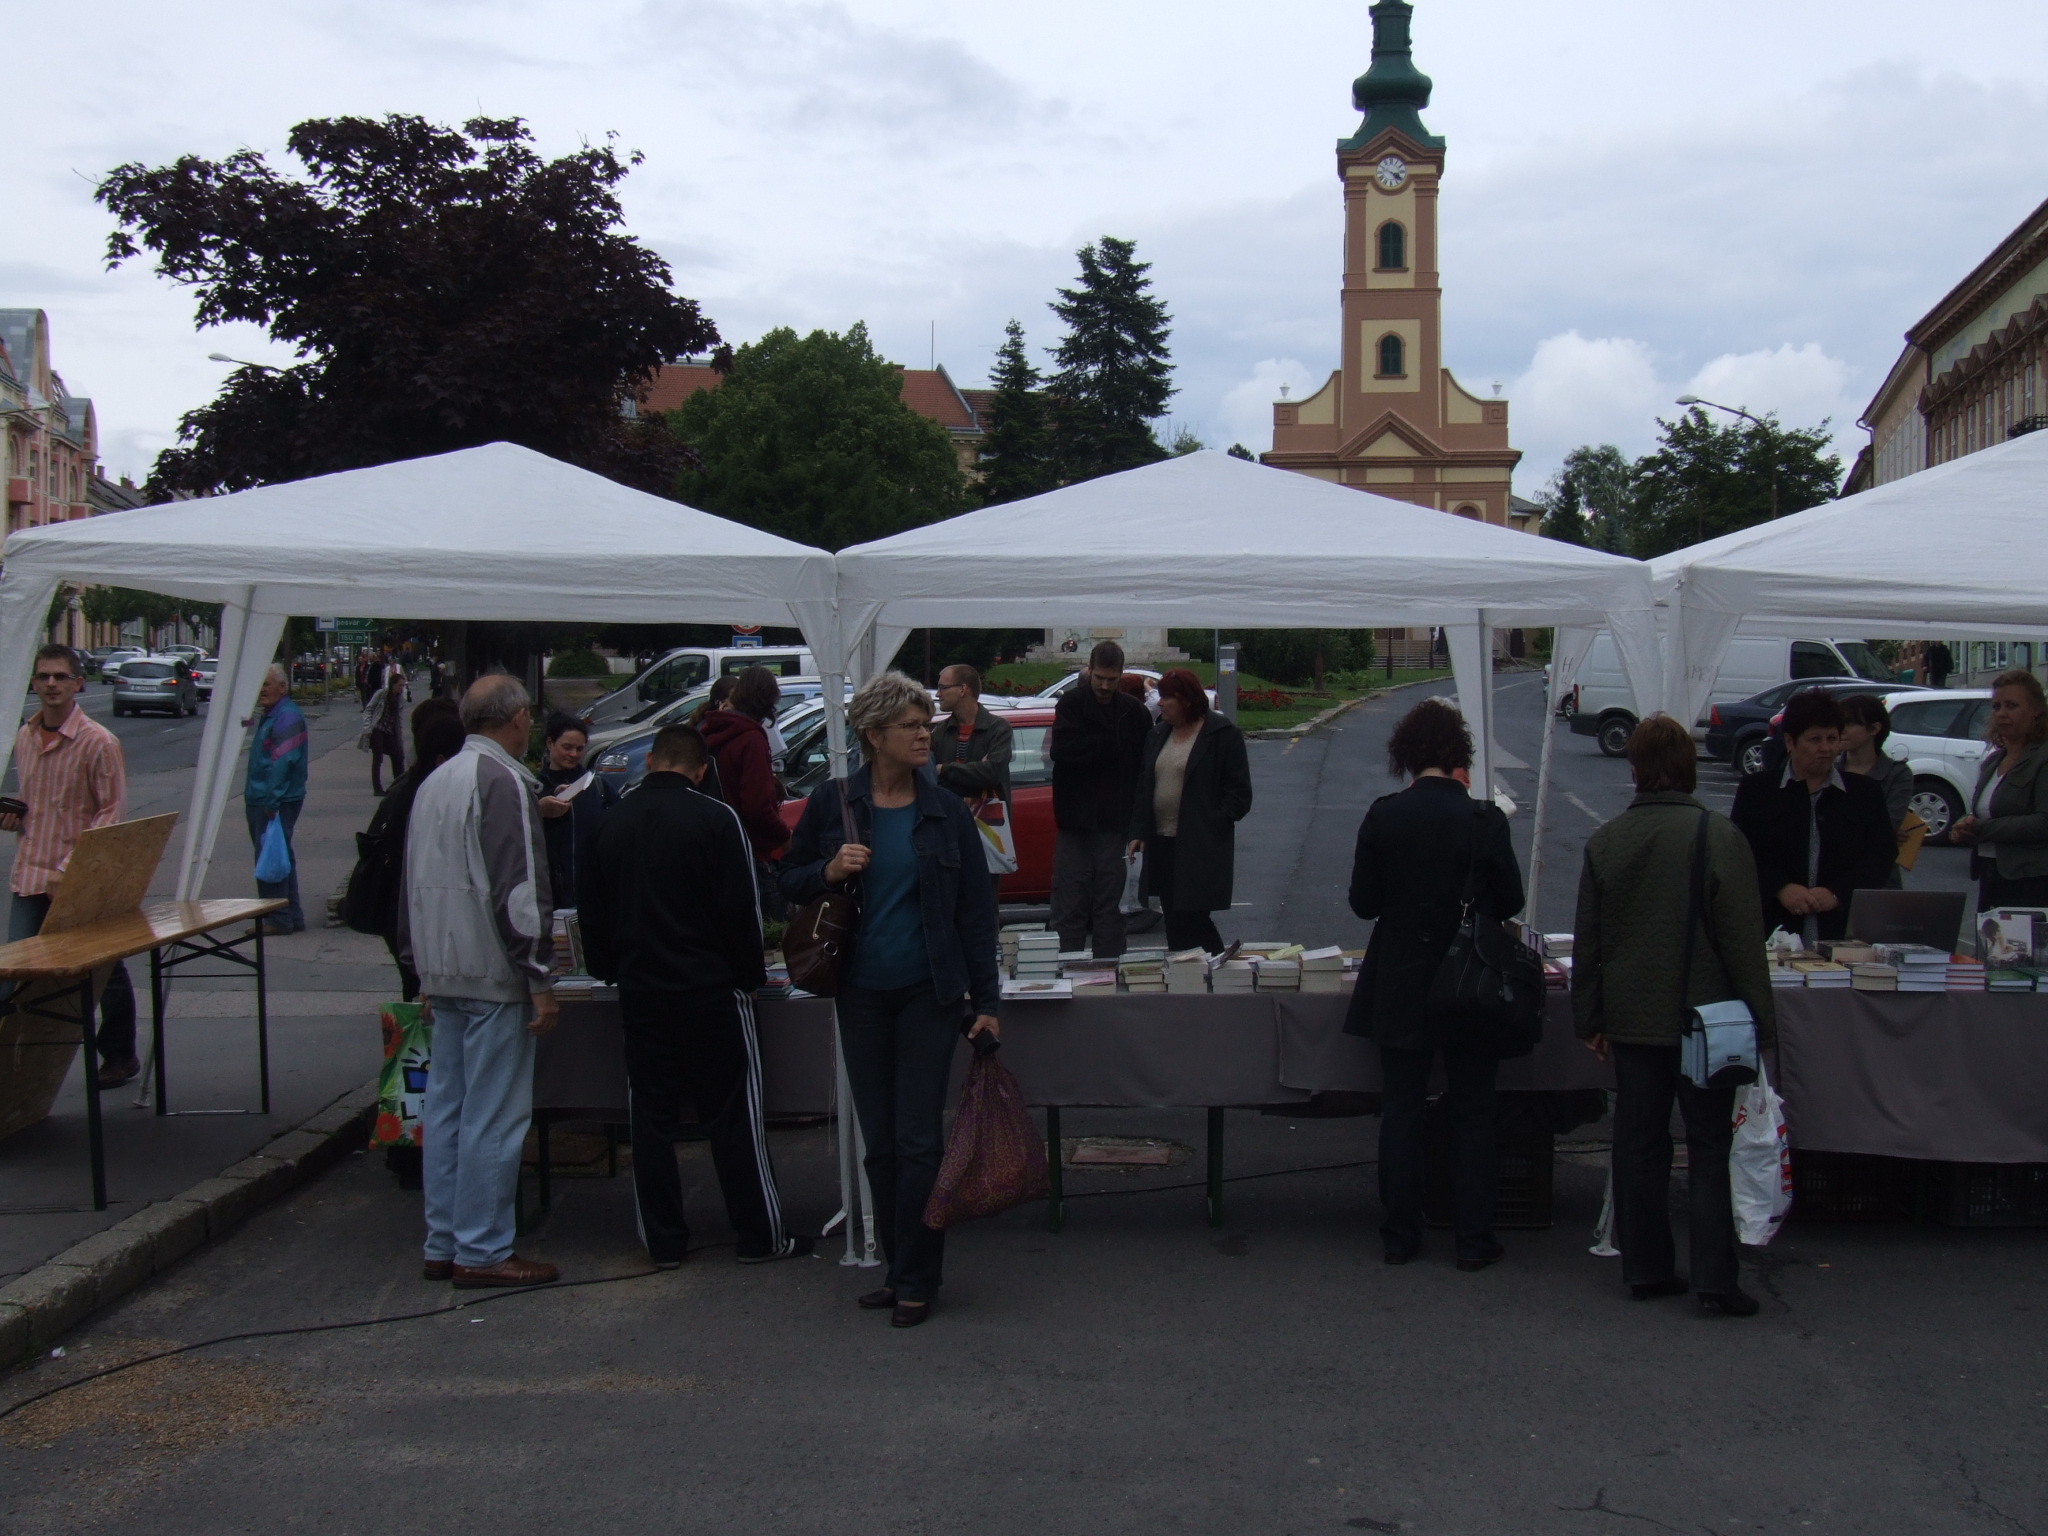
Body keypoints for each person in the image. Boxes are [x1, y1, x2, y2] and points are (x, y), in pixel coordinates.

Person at [778, 671, 1000, 1328]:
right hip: (861, 993)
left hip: (930, 994)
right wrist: (827, 869)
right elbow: (786, 880)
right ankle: (898, 1268)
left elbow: (976, 914)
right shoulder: (834, 803)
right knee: (879, 1143)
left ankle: (918, 1279)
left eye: (927, 723)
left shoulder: (947, 812)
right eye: (911, 726)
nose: (925, 734)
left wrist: (986, 1001)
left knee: (917, 1140)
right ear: (874, 736)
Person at [578, 724, 809, 1268]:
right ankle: (759, 1234)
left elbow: (593, 911)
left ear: (650, 761)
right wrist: (749, 977)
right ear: (702, 770)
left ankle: (663, 1241)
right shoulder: (716, 819)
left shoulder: (609, 823)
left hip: (641, 989)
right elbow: (740, 910)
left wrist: (610, 969)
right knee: (734, 1114)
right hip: (711, 989)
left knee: (650, 1118)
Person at [1573, 716, 1776, 1319]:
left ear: (1634, 770)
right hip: (1707, 1020)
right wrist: (1763, 1024)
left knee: (1639, 1141)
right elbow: (1743, 942)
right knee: (1709, 1145)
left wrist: (1590, 1018)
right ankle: (1716, 1278)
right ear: (1690, 770)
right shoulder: (1720, 837)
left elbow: (1590, 941)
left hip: (1634, 1017)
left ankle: (1646, 1268)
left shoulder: (1607, 841)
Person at [1344, 697, 1521, 1271]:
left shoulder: (1384, 815)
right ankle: (1473, 1238)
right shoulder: (1485, 820)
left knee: (1401, 1107)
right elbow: (1510, 901)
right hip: (1470, 979)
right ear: (1458, 754)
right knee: (1473, 1111)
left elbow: (1363, 902)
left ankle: (1400, 1235)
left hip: (1400, 975)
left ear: (1406, 755)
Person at [398, 673, 560, 1289]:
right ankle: (484, 1248)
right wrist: (537, 972)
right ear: (517, 719)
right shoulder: (502, 781)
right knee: (493, 1114)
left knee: (448, 1110)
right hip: (491, 969)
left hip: (444, 964)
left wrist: (420, 966)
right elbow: (520, 889)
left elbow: (410, 884)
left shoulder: (435, 781)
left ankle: (444, 1240)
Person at [0, 643, 139, 1085]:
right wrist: (12, 814)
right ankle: (15, 1073)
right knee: (14, 972)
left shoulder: (99, 742)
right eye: (44, 676)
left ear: (78, 684)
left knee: (101, 970)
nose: (51, 684)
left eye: (60, 676)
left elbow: (111, 814)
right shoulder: (24, 737)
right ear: (34, 683)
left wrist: (71, 868)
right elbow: (35, 800)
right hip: (31, 872)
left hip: (77, 879)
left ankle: (119, 1054)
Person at [1731, 689, 1896, 947]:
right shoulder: (1757, 791)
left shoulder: (1864, 793)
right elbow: (1739, 852)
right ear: (1790, 741)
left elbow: (1882, 854)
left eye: (1832, 739)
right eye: (1815, 739)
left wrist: (1838, 893)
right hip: (1772, 930)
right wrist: (1780, 887)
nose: (1826, 749)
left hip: (1844, 932)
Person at [1127, 668, 1252, 953]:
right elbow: (1144, 787)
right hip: (1163, 842)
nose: (1159, 703)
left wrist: (1213, 823)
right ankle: (1187, 970)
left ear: (1185, 700)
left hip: (1200, 844)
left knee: (1193, 916)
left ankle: (1216, 965)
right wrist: (1139, 830)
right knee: (1174, 919)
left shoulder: (1221, 735)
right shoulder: (1158, 733)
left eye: (1167, 698)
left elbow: (1239, 793)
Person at [353, 697, 465, 1001]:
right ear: (442, 759)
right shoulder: (423, 797)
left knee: (420, 999)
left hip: (402, 920)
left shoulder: (410, 787)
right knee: (422, 1000)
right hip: (412, 922)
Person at [1049, 641, 1152, 957]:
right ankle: (1066, 969)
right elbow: (1061, 752)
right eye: (1099, 679)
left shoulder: (1134, 713)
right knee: (1070, 908)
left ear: (1121, 675)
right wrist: (1108, 746)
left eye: (1112, 680)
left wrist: (1138, 825)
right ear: (1089, 671)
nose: (1105, 686)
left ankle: (1108, 973)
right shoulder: (1071, 704)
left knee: (1111, 911)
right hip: (1075, 824)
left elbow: (1144, 773)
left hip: (1116, 825)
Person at [1950, 669, 2048, 909]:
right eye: (1996, 707)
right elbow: (1986, 812)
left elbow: (2043, 822)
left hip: (2029, 879)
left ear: (2036, 710)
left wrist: (1982, 829)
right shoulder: (1993, 761)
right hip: (1989, 872)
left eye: (2011, 706)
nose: (2001, 714)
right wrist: (1964, 827)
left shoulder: (2042, 758)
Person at [931, 663, 1015, 909]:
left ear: (963, 689)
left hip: (986, 827)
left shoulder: (997, 728)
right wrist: (975, 769)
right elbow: (928, 776)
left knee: (983, 902)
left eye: (943, 687)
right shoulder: (940, 732)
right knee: (950, 900)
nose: (938, 694)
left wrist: (945, 769)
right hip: (948, 826)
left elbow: (991, 773)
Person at [699, 666, 790, 864]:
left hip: (714, 841)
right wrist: (785, 836)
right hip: (747, 848)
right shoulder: (751, 739)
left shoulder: (715, 730)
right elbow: (757, 806)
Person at [246, 663, 310, 936]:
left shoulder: (286, 716)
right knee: (280, 855)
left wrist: (272, 801)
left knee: (270, 856)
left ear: (282, 687)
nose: (261, 690)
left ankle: (278, 917)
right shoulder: (276, 715)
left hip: (273, 799)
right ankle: (290, 914)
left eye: (266, 684)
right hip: (271, 796)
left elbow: (283, 762)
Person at [535, 713, 619, 912]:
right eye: (567, 747)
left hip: (593, 893)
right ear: (550, 743)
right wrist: (539, 810)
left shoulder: (597, 786)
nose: (573, 754)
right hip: (549, 895)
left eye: (579, 749)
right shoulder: (534, 788)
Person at [1838, 693, 1913, 888]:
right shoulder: (1829, 770)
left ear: (1874, 728)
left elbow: (1886, 829)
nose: (1841, 729)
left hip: (1879, 877)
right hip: (1833, 876)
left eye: (1849, 723)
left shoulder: (1896, 773)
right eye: (1838, 722)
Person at [367, 652, 410, 796]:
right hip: (378, 728)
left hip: (390, 730)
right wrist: (368, 728)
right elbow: (369, 709)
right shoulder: (381, 694)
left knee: (397, 756)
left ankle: (399, 786)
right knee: (377, 758)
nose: (401, 688)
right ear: (392, 685)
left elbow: (399, 719)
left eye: (403, 686)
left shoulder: (400, 700)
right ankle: (377, 788)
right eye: (399, 685)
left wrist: (399, 736)